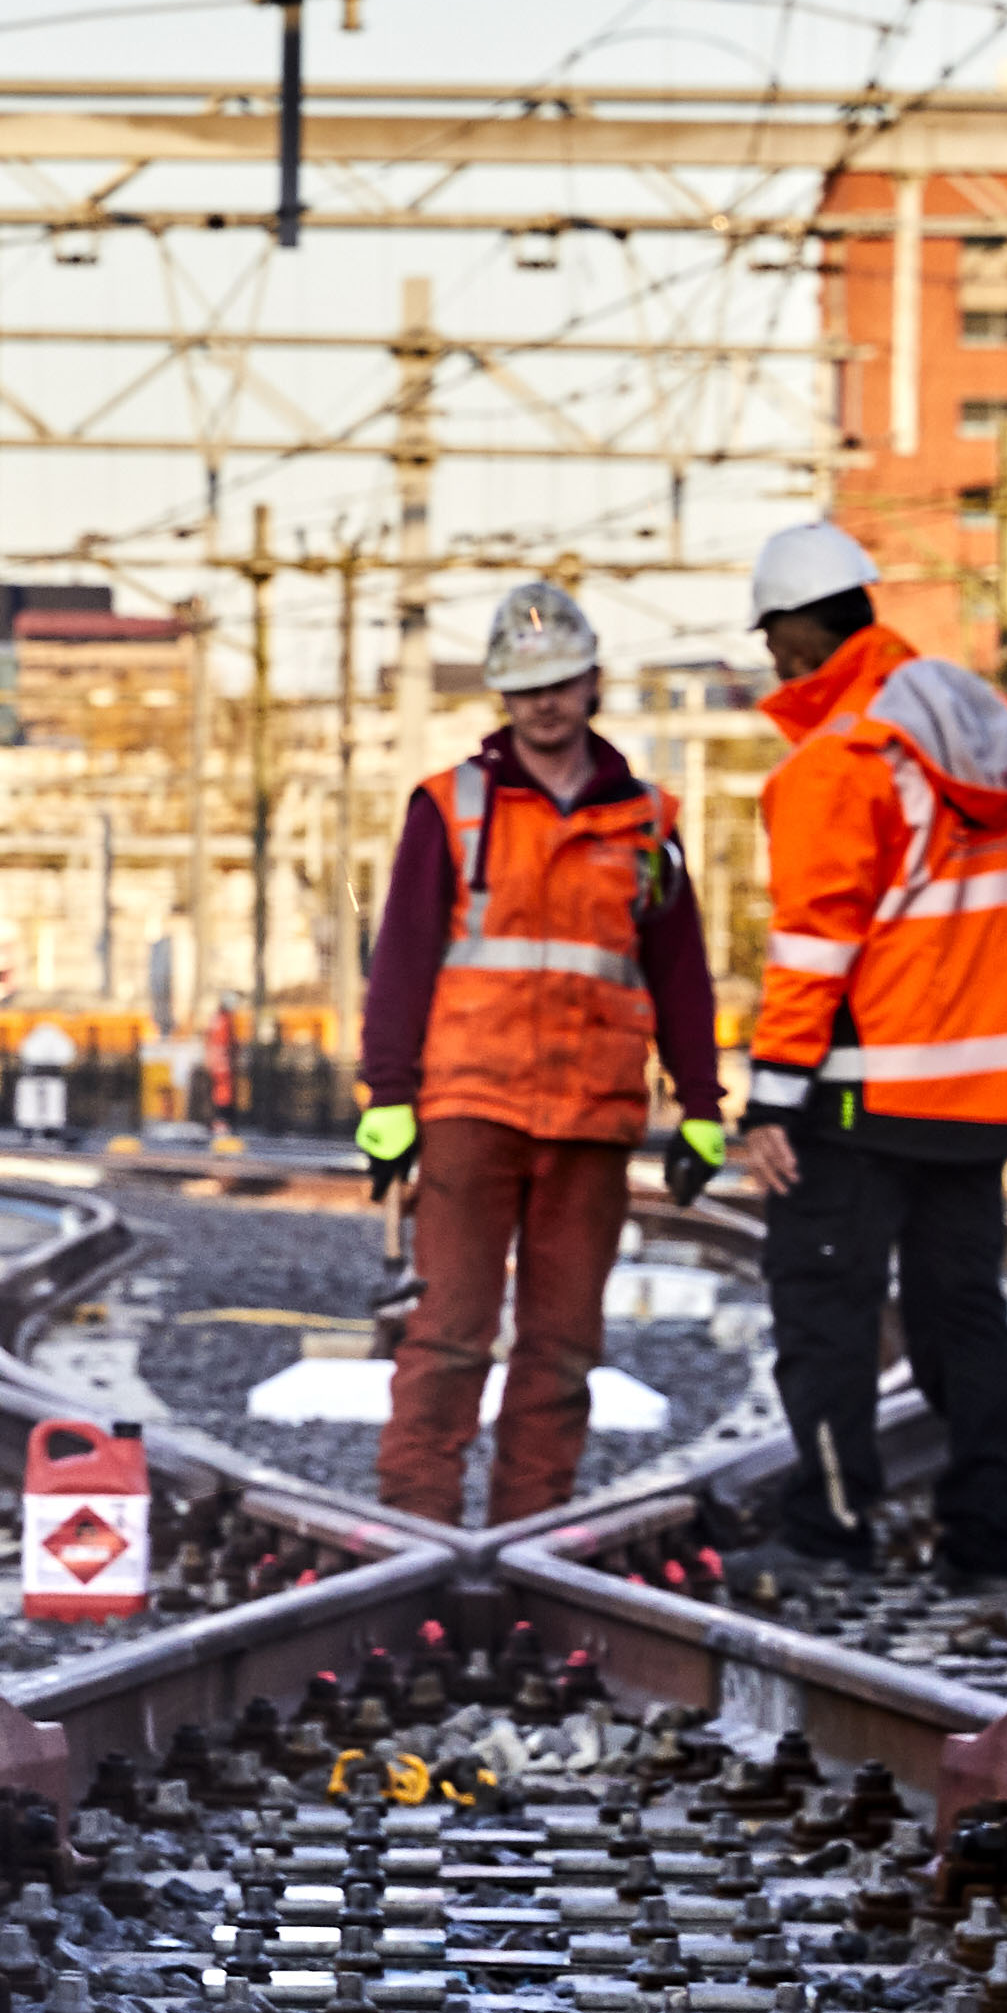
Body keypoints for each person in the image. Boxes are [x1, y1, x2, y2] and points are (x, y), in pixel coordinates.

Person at [352, 580, 726, 1528]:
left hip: (592, 1115)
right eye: (526, 689)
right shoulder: (452, 808)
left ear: (592, 681)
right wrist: (388, 1096)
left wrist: (704, 1104)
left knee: (563, 1348)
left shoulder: (647, 822)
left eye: (559, 683)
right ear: (501, 696)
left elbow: (679, 970)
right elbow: (401, 957)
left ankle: (531, 1536)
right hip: (472, 1105)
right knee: (449, 1336)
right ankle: (418, 1532)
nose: (544, 703)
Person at [732, 517, 1007, 1578]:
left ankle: (827, 1530)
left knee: (823, 1309)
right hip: (981, 1093)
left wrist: (772, 1103)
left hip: (863, 1093)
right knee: (965, 1314)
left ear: (789, 637)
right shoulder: (987, 731)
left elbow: (812, 949)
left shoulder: (844, 757)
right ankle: (990, 1536)